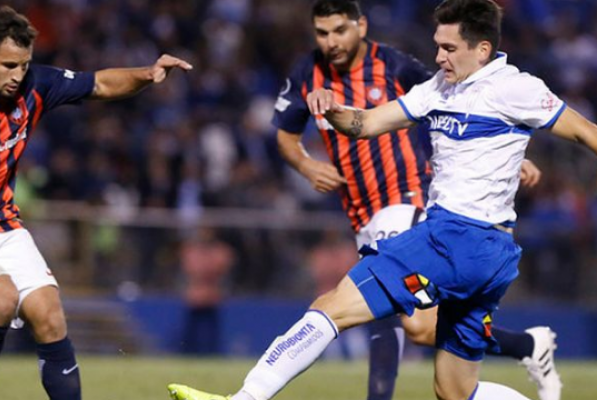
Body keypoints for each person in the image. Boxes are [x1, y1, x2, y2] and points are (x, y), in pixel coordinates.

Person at [168, 0, 597, 399]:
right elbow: (367, 123)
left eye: (448, 48)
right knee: (454, 391)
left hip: (453, 238)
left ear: (482, 49)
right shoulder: (438, 88)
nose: (439, 56)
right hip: (487, 254)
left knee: (331, 307)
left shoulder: (515, 88)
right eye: (437, 46)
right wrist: (333, 110)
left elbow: (584, 130)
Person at [273, 1, 558, 400]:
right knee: (428, 340)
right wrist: (306, 166)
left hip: (407, 197)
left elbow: (463, 101)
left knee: (370, 306)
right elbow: (288, 136)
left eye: (339, 30)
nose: (331, 41)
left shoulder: (395, 65)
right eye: (322, 33)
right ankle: (527, 347)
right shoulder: (307, 73)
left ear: (361, 26)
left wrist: (510, 154)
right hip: (360, 209)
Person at [0, 6, 191, 400]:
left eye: (24, 65)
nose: (18, 75)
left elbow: (101, 84)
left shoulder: (35, 85)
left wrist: (146, 73)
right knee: (1, 300)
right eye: (9, 65)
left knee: (49, 314)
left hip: (3, 226)